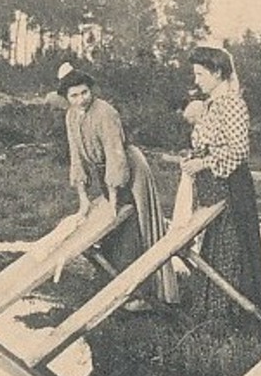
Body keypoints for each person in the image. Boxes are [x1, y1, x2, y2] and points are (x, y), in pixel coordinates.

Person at [56, 62, 177, 308]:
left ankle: (137, 292)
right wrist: (83, 200)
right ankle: (110, 283)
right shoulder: (71, 116)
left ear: (92, 91)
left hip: (129, 171)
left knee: (130, 224)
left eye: (84, 93)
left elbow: (115, 155)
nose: (81, 99)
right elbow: (76, 158)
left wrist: (114, 199)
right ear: (67, 98)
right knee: (107, 228)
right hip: (104, 173)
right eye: (74, 95)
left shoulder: (105, 112)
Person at [179, 45, 261, 325]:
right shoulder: (212, 104)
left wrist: (203, 163)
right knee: (215, 245)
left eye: (200, 74)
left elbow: (239, 150)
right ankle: (213, 313)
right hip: (213, 186)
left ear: (218, 73)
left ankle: (235, 317)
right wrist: (193, 159)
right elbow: (208, 143)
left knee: (232, 248)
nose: (196, 80)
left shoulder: (232, 103)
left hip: (231, 184)